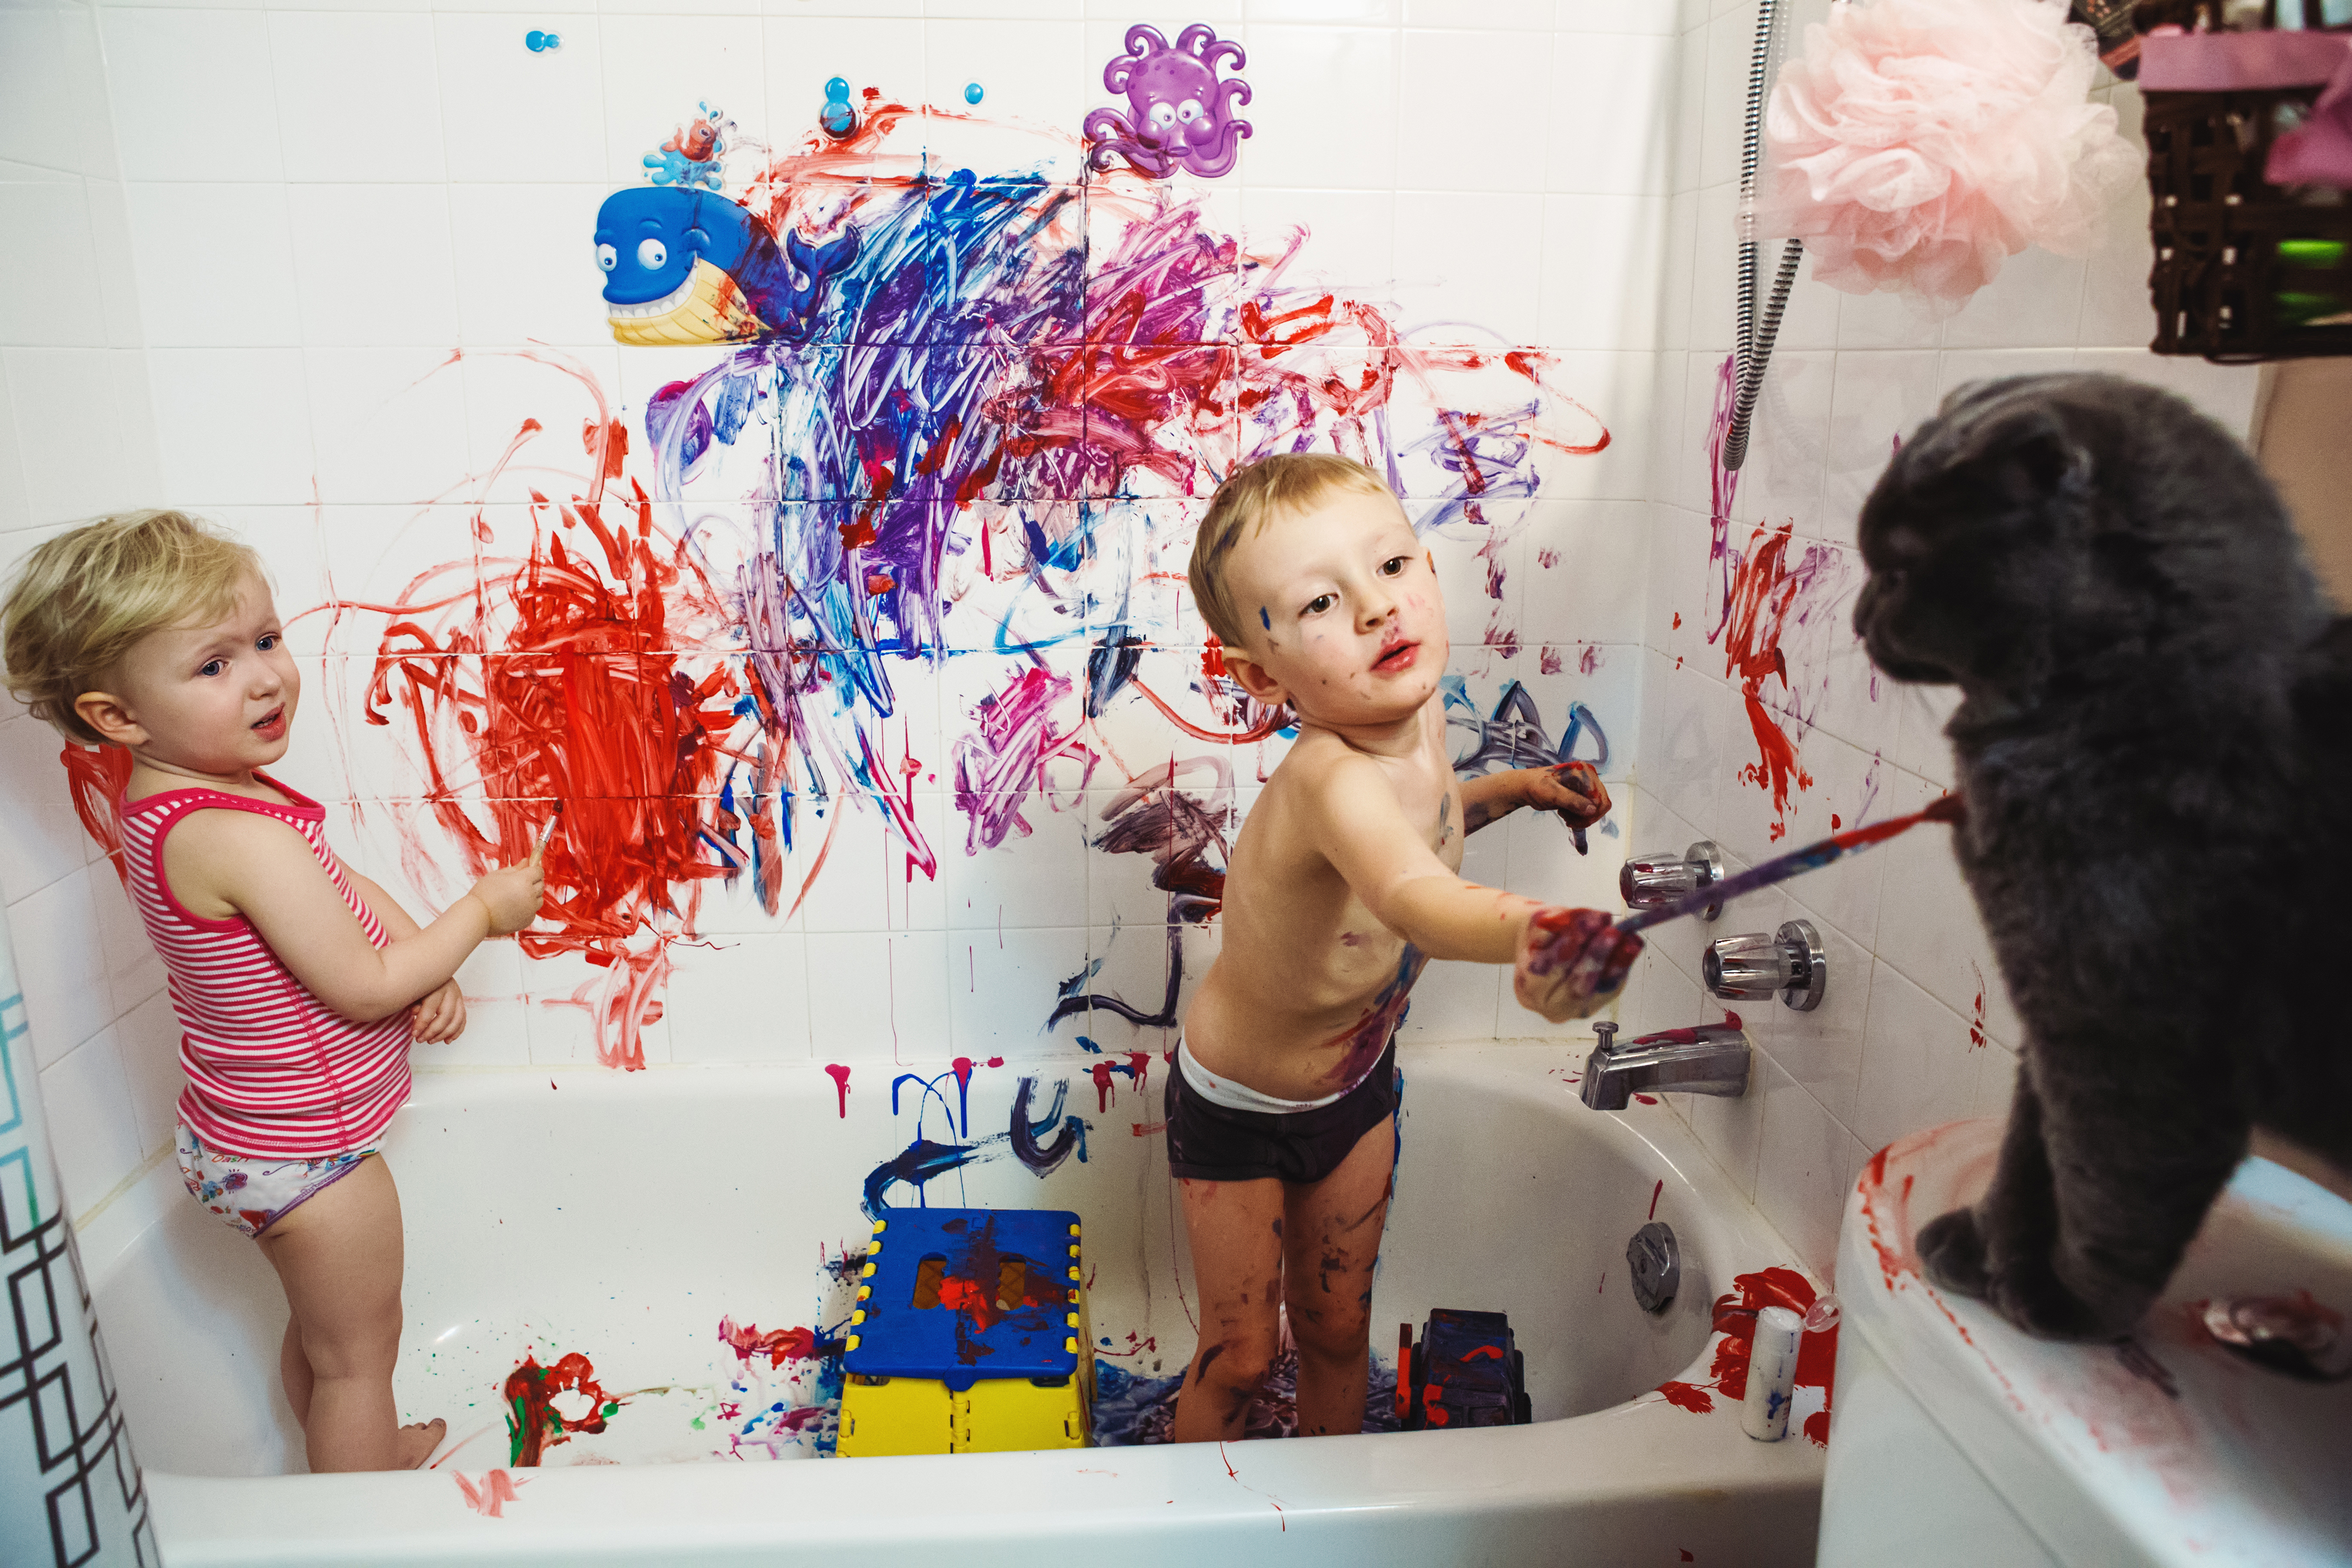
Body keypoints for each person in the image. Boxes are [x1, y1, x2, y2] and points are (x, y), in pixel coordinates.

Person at [0, 511, 545, 1472]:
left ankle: (359, 1456)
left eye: (264, 639)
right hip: (309, 1157)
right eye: (213, 665)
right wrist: (479, 913)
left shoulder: (199, 796)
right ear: (116, 718)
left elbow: (333, 889)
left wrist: (428, 952)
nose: (263, 675)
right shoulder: (231, 832)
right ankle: (360, 1515)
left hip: (247, 1133)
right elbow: (368, 987)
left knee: (329, 1343)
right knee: (356, 1361)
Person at [1171, 453, 1639, 1441]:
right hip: (1240, 1105)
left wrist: (1511, 788)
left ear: (1427, 567)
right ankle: (1190, 1526)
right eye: (1322, 604)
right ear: (1263, 674)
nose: (1381, 611)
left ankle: (1335, 1524)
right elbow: (1414, 893)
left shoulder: (1411, 709)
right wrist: (1533, 928)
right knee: (1244, 1354)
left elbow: (1420, 825)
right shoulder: (1328, 780)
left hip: (1354, 1083)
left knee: (1339, 1330)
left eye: (1391, 569)